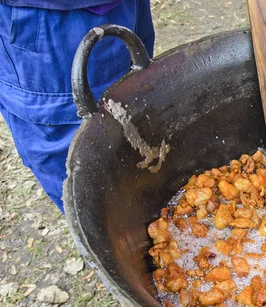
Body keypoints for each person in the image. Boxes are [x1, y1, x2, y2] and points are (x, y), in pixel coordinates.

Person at [0, 0, 155, 212]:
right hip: (47, 24)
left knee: (139, 108)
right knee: (81, 171)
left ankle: (144, 207)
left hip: (124, 7)